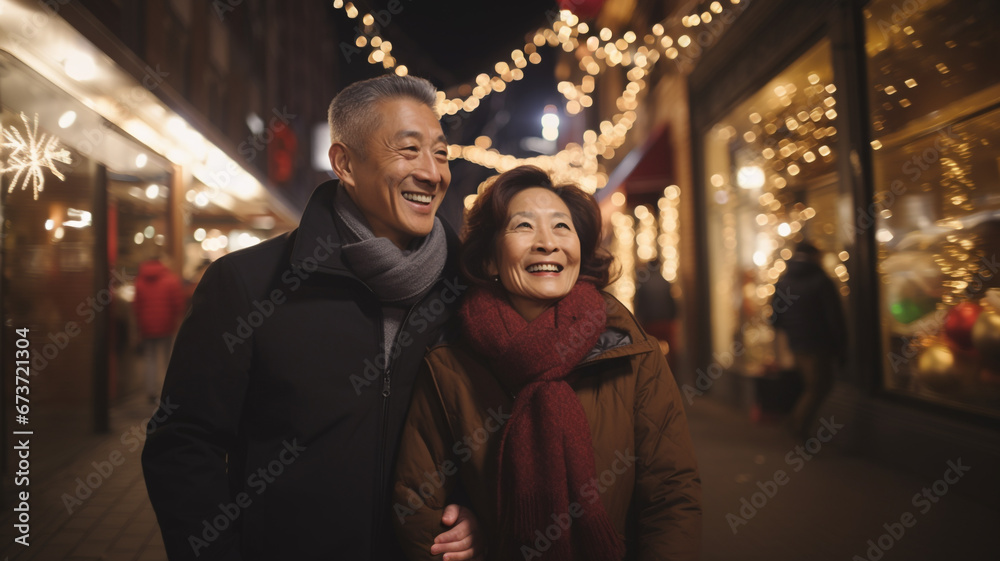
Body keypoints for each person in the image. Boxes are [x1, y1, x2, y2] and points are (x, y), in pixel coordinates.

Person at [142, 74, 482, 561]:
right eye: (409, 150)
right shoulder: (248, 284)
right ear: (345, 163)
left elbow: (498, 433)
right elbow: (183, 444)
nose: (432, 173)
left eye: (442, 153)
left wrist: (477, 512)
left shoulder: (468, 290)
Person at [392, 166, 702, 560]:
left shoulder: (629, 349)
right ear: (490, 260)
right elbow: (415, 502)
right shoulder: (450, 362)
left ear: (580, 251)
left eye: (561, 227)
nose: (547, 243)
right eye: (524, 226)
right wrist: (469, 534)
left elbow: (671, 492)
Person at [770, 240, 847, 441]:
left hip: (795, 343)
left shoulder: (784, 280)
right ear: (815, 256)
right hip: (818, 344)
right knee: (818, 386)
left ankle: (795, 424)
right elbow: (834, 318)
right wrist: (841, 347)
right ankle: (797, 426)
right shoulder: (821, 280)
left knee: (810, 385)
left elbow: (775, 317)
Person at [132, 254, 186, 403]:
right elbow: (178, 304)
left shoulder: (139, 280)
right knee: (167, 359)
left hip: (146, 326)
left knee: (150, 358)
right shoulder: (171, 279)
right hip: (166, 325)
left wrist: (139, 325)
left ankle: (151, 391)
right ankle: (166, 390)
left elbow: (136, 305)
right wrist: (178, 320)